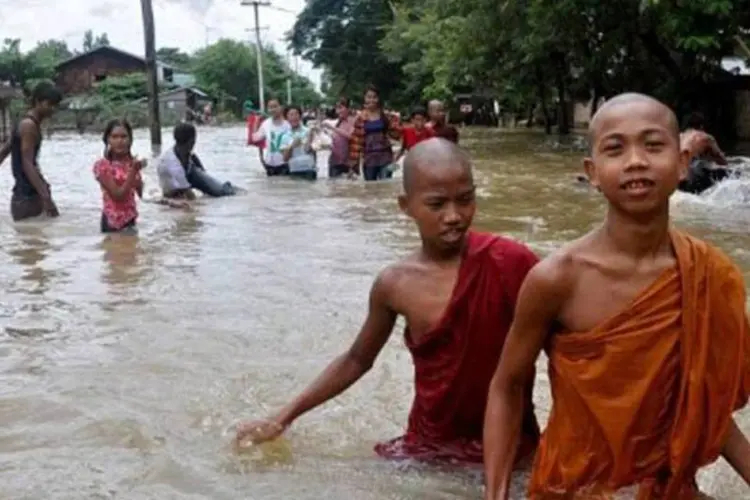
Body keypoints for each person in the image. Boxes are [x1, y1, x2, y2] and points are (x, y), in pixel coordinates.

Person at [483, 93, 750, 499]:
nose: (636, 160)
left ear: (682, 164)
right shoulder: (557, 279)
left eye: (653, 145)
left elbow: (705, 403)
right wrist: (497, 494)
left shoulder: (709, 275)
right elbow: (507, 386)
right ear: (592, 172)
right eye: (615, 148)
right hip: (575, 489)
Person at [235, 138, 541, 467]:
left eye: (465, 200)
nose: (453, 216)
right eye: (437, 205)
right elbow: (356, 359)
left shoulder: (513, 262)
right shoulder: (395, 284)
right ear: (405, 206)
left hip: (513, 446)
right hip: (430, 448)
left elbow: (563, 349)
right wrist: (283, 418)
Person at [6, 81, 63, 221]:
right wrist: (46, 197)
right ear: (38, 101)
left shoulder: (24, 123)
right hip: (27, 197)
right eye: (49, 104)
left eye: (56, 105)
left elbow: (5, 150)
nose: (53, 109)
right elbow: (28, 163)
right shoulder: (29, 126)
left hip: (24, 196)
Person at [93, 119, 145, 233]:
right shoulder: (102, 166)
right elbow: (118, 196)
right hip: (112, 223)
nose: (119, 141)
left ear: (130, 139)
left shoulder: (131, 163)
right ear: (108, 140)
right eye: (114, 137)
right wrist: (134, 171)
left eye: (123, 137)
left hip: (131, 220)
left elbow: (140, 194)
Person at [158, 123, 237, 197]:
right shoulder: (174, 165)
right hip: (178, 182)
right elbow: (189, 194)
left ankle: (233, 190)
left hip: (190, 172)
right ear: (191, 141)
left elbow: (193, 157)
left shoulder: (184, 153)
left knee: (221, 191)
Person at [349, 85, 402, 181]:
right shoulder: (360, 118)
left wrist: (395, 121)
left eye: (374, 97)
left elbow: (398, 134)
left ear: (378, 99)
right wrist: (353, 164)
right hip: (368, 159)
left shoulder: (386, 116)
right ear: (364, 99)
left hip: (386, 157)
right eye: (369, 97)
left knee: (386, 185)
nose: (372, 100)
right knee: (370, 188)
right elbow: (355, 142)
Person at [678, 112, 732, 194]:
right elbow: (722, 161)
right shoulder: (705, 137)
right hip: (688, 178)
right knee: (731, 174)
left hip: (674, 177)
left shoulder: (678, 136)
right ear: (702, 126)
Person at [250, 97, 291, 176]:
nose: (273, 110)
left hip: (285, 164)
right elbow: (255, 138)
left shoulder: (288, 125)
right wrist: (256, 122)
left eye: (275, 106)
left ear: (281, 107)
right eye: (270, 107)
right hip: (270, 165)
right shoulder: (266, 124)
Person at [322, 97, 356, 178]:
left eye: (341, 108)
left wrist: (332, 128)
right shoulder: (338, 122)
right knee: (334, 187)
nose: (338, 111)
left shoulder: (353, 121)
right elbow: (337, 140)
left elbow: (351, 136)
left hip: (348, 162)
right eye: (337, 108)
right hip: (334, 160)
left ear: (348, 109)